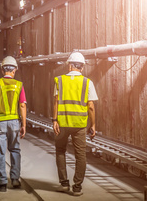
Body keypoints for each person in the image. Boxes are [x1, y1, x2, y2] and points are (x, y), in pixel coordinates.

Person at [52, 51, 98, 196]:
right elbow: (90, 106)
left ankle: (64, 184)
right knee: (80, 155)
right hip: (79, 125)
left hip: (63, 123)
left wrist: (54, 120)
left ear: (69, 65)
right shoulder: (87, 82)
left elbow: (56, 102)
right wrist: (93, 124)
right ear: (82, 67)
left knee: (60, 151)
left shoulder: (59, 80)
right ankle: (77, 187)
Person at [0, 56, 27, 192]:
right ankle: (15, 179)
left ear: (3, 70)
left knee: (0, 152)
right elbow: (22, 106)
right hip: (14, 123)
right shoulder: (19, 85)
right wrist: (24, 124)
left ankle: (2, 183)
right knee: (15, 150)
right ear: (14, 71)